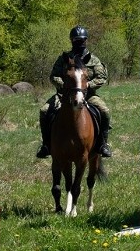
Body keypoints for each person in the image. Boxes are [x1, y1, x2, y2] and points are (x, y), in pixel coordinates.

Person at [35, 25, 113, 158]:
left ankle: (102, 144)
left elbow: (102, 77)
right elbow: (53, 76)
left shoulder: (93, 60)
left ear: (86, 41)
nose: (79, 43)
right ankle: (47, 145)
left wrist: (88, 85)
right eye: (76, 40)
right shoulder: (64, 58)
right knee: (44, 110)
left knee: (104, 111)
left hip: (88, 95)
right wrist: (66, 85)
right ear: (71, 41)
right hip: (64, 95)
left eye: (81, 40)